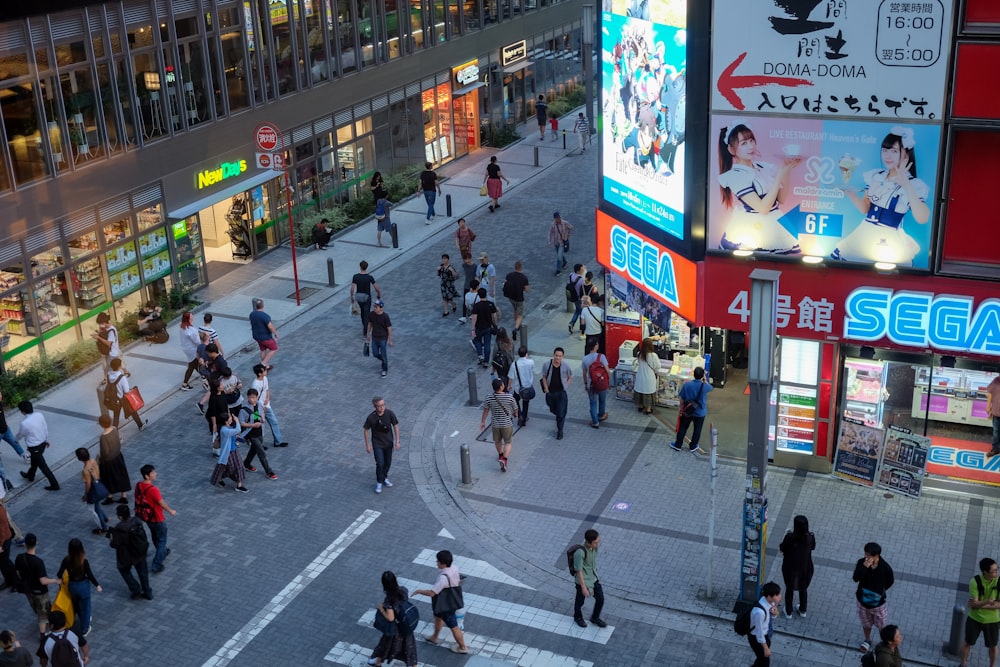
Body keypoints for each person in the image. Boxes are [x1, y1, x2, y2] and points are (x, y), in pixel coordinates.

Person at [832, 127, 930, 265]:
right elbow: (865, 209)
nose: (887, 155)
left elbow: (922, 217)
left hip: (889, 240)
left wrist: (906, 184)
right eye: (885, 150)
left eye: (894, 151)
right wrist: (851, 194)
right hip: (864, 235)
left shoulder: (915, 184)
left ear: (906, 155)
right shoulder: (876, 176)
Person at [717, 122, 802, 254]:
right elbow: (763, 208)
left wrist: (787, 168)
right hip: (751, 229)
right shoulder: (735, 176)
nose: (751, 146)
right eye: (744, 143)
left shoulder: (763, 167)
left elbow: (781, 199)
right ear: (731, 150)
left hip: (774, 223)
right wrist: (780, 174)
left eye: (751, 141)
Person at [414, 550, 469, 654]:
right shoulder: (454, 567)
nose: (436, 563)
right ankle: (434, 637)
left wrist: (419, 591)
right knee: (438, 618)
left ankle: (463, 647)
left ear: (443, 564)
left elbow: (432, 593)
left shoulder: (443, 578)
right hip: (447, 600)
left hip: (445, 604)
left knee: (454, 627)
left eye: (438, 561)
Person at [367, 570, 417, 667]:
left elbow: (390, 618)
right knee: (409, 649)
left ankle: (378, 662)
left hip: (397, 629)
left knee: (386, 645)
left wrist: (381, 609)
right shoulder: (403, 591)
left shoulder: (390, 600)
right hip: (406, 625)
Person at [14, 533, 60, 636]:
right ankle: (42, 635)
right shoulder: (38, 562)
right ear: (36, 543)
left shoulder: (19, 557)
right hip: (40, 592)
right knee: (42, 614)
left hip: (28, 590)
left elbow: (17, 572)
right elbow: (43, 581)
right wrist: (55, 581)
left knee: (36, 607)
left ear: (25, 544)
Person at [134, 465, 176, 575]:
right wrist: (171, 511)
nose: (155, 474)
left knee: (155, 536)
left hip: (147, 518)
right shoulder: (153, 490)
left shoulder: (138, 485)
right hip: (157, 517)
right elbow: (161, 503)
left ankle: (162, 552)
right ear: (147, 476)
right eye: (153, 473)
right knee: (162, 539)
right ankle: (156, 564)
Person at [854, 541, 895, 653]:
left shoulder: (885, 568)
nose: (867, 557)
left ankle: (885, 643)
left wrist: (880, 591)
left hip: (878, 604)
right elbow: (855, 578)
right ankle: (867, 640)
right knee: (866, 623)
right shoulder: (861, 563)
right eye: (866, 554)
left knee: (882, 625)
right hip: (862, 601)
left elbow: (890, 581)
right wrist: (864, 568)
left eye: (869, 555)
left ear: (877, 556)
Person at [960, 558, 1000, 667]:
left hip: (993, 620)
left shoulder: (999, 581)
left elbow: (976, 604)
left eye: (997, 569)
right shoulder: (975, 581)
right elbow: (975, 604)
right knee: (967, 642)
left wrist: (979, 605)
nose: (997, 572)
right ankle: (963, 664)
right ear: (985, 572)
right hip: (974, 618)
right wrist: (988, 602)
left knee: (993, 646)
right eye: (994, 571)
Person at [57, 538, 101, 637]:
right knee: (86, 607)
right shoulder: (83, 561)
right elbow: (90, 575)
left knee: (76, 604)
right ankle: (84, 628)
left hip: (72, 586)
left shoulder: (66, 560)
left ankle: (81, 619)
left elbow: (59, 573)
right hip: (83, 586)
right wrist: (97, 585)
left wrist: (60, 580)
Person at [107, 505, 152, 601]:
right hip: (139, 551)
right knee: (142, 571)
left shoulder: (119, 529)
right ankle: (147, 592)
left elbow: (114, 544)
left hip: (126, 555)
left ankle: (135, 589)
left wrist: (111, 539)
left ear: (120, 517)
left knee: (123, 569)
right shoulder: (137, 521)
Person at [779, 515, 815, 619]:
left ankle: (788, 611)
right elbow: (813, 547)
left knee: (789, 589)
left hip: (790, 568)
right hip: (805, 568)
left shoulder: (790, 537)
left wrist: (787, 534)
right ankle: (803, 610)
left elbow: (782, 548)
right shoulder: (810, 537)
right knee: (803, 588)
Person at [17, 401, 59, 491]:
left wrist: (15, 440)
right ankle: (30, 476)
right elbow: (45, 427)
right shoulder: (39, 415)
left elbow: (21, 434)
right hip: (42, 444)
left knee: (43, 467)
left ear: (22, 411)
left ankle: (54, 484)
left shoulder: (24, 423)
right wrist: (46, 439)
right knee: (34, 462)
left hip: (34, 447)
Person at [670, 366, 713, 454]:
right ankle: (693, 446)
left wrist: (681, 407)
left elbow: (682, 398)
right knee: (697, 430)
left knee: (683, 428)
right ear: (702, 376)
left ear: (693, 374)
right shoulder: (705, 386)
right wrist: (705, 380)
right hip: (700, 412)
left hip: (687, 412)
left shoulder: (687, 384)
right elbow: (711, 387)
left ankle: (678, 445)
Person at [363, 396, 400, 494]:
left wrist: (397, 441)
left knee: (388, 462)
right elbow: (366, 430)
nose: (382, 407)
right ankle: (379, 482)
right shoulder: (371, 417)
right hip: (377, 444)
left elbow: (395, 426)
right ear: (375, 407)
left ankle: (384, 478)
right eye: (380, 406)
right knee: (380, 463)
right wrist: (367, 445)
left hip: (388, 443)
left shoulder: (390, 414)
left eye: (383, 405)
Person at [481, 378, 517, 473]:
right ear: (501, 387)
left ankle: (500, 454)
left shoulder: (489, 397)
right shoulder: (509, 397)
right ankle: (504, 459)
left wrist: (483, 421)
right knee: (508, 442)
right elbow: (515, 408)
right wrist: (515, 414)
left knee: (497, 441)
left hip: (495, 424)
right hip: (507, 424)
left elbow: (485, 410)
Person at [572, 529, 606, 628]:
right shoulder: (580, 553)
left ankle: (595, 617)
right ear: (588, 541)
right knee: (580, 601)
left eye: (598, 541)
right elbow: (578, 570)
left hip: (593, 579)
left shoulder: (594, 548)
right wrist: (583, 587)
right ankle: (577, 617)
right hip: (583, 581)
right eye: (595, 542)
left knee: (600, 599)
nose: (597, 545)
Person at [239, 389, 276, 480]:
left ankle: (246, 464)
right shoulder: (244, 410)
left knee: (254, 449)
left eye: (254, 397)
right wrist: (252, 425)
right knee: (261, 452)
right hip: (251, 433)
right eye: (250, 397)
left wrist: (262, 418)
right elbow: (241, 423)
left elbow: (261, 413)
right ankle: (269, 471)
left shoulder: (259, 404)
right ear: (247, 397)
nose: (252, 399)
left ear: (257, 397)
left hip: (260, 430)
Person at [251, 364, 288, 448]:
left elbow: (267, 389)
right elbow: (254, 398)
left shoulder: (265, 379)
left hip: (266, 405)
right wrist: (261, 407)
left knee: (274, 422)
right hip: (257, 408)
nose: (266, 371)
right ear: (259, 373)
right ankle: (259, 444)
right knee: (260, 426)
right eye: (264, 370)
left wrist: (267, 398)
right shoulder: (255, 384)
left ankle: (278, 441)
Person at [211, 412, 248, 493]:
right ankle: (220, 478)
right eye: (230, 418)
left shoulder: (228, 427)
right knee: (229, 468)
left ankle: (239, 485)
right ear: (226, 421)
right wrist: (237, 421)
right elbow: (238, 430)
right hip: (228, 453)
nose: (232, 419)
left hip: (234, 450)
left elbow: (235, 433)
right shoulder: (224, 430)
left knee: (239, 466)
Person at [105, 357, 146, 431]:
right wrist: (126, 378)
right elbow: (126, 391)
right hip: (122, 398)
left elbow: (112, 384)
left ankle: (114, 434)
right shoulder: (122, 378)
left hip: (114, 399)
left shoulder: (109, 375)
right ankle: (140, 425)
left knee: (116, 417)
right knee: (132, 410)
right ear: (119, 366)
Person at [74, 449, 108, 535]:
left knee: (96, 509)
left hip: (94, 490)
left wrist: (86, 495)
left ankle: (103, 527)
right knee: (97, 505)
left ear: (79, 458)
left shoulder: (85, 470)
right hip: (100, 486)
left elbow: (88, 484)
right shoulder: (93, 461)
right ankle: (105, 518)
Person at [747, 581, 782, 667]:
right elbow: (759, 632)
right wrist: (765, 648)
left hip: (766, 634)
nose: (780, 596)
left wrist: (775, 614)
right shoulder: (759, 612)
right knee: (764, 662)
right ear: (770, 597)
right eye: (777, 595)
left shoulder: (770, 602)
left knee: (761, 660)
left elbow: (771, 618)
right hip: (757, 638)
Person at [540, 347, 572, 440]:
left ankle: (560, 430)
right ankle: (557, 415)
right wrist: (546, 388)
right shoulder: (547, 364)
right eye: (556, 355)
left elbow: (570, 376)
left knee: (561, 413)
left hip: (561, 393)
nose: (558, 358)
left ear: (562, 357)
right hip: (551, 393)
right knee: (554, 409)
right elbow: (544, 376)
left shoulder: (565, 365)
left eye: (560, 356)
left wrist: (566, 385)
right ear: (553, 355)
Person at [582, 339, 610, 429]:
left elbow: (584, 373)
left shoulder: (585, 359)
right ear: (595, 346)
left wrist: (586, 383)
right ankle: (601, 415)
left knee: (593, 403)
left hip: (591, 384)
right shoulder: (601, 357)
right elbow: (607, 370)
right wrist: (607, 380)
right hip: (602, 382)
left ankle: (595, 422)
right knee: (602, 400)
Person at [351, 261, 382, 338]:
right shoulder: (369, 277)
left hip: (359, 298)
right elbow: (376, 288)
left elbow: (352, 288)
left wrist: (352, 297)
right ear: (367, 267)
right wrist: (378, 294)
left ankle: (365, 325)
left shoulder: (355, 276)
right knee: (366, 314)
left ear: (360, 266)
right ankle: (366, 332)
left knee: (362, 312)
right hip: (367, 298)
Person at [632, 338, 661, 416]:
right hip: (649, 377)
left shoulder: (639, 354)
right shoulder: (653, 355)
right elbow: (658, 366)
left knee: (640, 390)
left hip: (640, 376)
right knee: (648, 392)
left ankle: (640, 406)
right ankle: (648, 409)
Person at [470, 288, 498, 369]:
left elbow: (474, 317)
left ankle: (480, 355)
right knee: (487, 344)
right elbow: (494, 316)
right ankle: (486, 361)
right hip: (488, 327)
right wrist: (495, 324)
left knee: (477, 341)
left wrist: (473, 328)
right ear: (486, 294)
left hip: (479, 327)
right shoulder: (490, 304)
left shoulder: (476, 306)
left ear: (478, 295)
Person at [0, 390, 28, 466]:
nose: (0, 396)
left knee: (15, 442)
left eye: (0, 393)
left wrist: (5, 422)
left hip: (6, 430)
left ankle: (25, 456)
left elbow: (2, 414)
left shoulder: (0, 403)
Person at [502, 261, 529, 339]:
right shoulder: (524, 277)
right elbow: (527, 289)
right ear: (521, 267)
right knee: (520, 314)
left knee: (515, 310)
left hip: (511, 297)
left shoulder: (509, 275)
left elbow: (505, 283)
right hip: (519, 298)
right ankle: (516, 328)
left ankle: (517, 324)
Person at [249, 298, 278, 369]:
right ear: (263, 306)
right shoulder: (265, 316)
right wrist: (275, 333)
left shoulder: (252, 314)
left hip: (256, 336)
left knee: (263, 349)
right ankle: (263, 363)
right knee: (274, 348)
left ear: (256, 306)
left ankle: (266, 366)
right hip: (265, 337)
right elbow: (270, 326)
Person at [367, 300, 393, 378]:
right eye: (374, 306)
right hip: (374, 337)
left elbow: (389, 328)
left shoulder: (385, 316)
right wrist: (368, 333)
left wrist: (390, 339)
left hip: (383, 338)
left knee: (384, 354)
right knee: (375, 353)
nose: (375, 308)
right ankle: (383, 360)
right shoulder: (371, 314)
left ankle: (384, 369)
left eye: (376, 307)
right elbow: (370, 324)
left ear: (381, 308)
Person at [511, 347, 535, 427]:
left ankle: (519, 415)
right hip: (528, 386)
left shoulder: (514, 364)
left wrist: (508, 386)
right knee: (526, 402)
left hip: (518, 388)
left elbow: (511, 377)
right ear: (526, 354)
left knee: (515, 400)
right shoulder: (531, 362)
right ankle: (523, 419)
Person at [178, 311, 201, 391]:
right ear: (189, 318)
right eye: (191, 316)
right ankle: (185, 383)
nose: (193, 317)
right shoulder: (191, 330)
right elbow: (197, 341)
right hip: (192, 349)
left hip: (186, 348)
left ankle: (204, 376)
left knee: (194, 364)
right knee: (192, 365)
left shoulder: (182, 327)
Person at [547, 212, 573, 276]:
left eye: (559, 217)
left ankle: (558, 270)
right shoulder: (553, 225)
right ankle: (565, 262)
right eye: (557, 218)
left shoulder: (565, 223)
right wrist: (549, 241)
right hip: (556, 243)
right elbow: (550, 233)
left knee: (559, 256)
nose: (558, 219)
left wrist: (567, 235)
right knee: (560, 255)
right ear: (555, 218)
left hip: (562, 243)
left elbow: (571, 228)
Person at [566, 263, 586, 334]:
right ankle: (581, 327)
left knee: (577, 311)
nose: (583, 270)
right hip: (579, 298)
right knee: (581, 313)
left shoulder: (571, 275)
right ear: (578, 271)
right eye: (581, 269)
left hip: (573, 297)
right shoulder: (581, 280)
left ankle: (571, 324)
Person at [987, 375, 1000, 458]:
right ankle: (995, 449)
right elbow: (989, 393)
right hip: (996, 411)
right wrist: (988, 406)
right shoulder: (996, 380)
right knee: (996, 431)